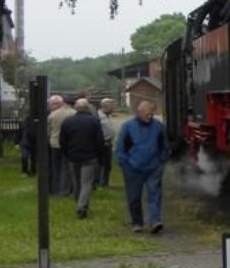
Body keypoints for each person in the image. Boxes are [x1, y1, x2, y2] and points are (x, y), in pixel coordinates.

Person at [116, 100, 168, 234]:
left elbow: (164, 146)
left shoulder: (159, 127)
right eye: (147, 114)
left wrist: (161, 161)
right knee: (134, 197)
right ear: (139, 113)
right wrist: (125, 164)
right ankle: (137, 222)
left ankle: (155, 221)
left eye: (151, 114)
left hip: (153, 167)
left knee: (155, 195)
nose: (149, 117)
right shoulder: (127, 127)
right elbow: (120, 148)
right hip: (133, 168)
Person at [60, 98, 105, 219]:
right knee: (86, 183)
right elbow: (99, 140)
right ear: (87, 108)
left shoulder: (68, 122)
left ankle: (80, 204)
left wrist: (67, 153)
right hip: (89, 157)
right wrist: (99, 155)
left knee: (76, 183)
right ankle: (81, 206)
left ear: (76, 108)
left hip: (73, 157)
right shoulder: (94, 121)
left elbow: (62, 141)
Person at [46, 95, 75, 196]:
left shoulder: (52, 115)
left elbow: (48, 131)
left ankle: (54, 189)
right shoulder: (73, 114)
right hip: (68, 144)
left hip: (54, 143)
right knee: (65, 168)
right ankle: (64, 190)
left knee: (55, 167)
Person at [96, 98, 118, 188]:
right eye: (111, 106)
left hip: (109, 143)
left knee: (107, 164)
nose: (113, 107)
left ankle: (105, 182)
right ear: (105, 106)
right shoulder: (98, 116)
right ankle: (100, 182)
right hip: (102, 143)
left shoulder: (108, 115)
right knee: (102, 163)